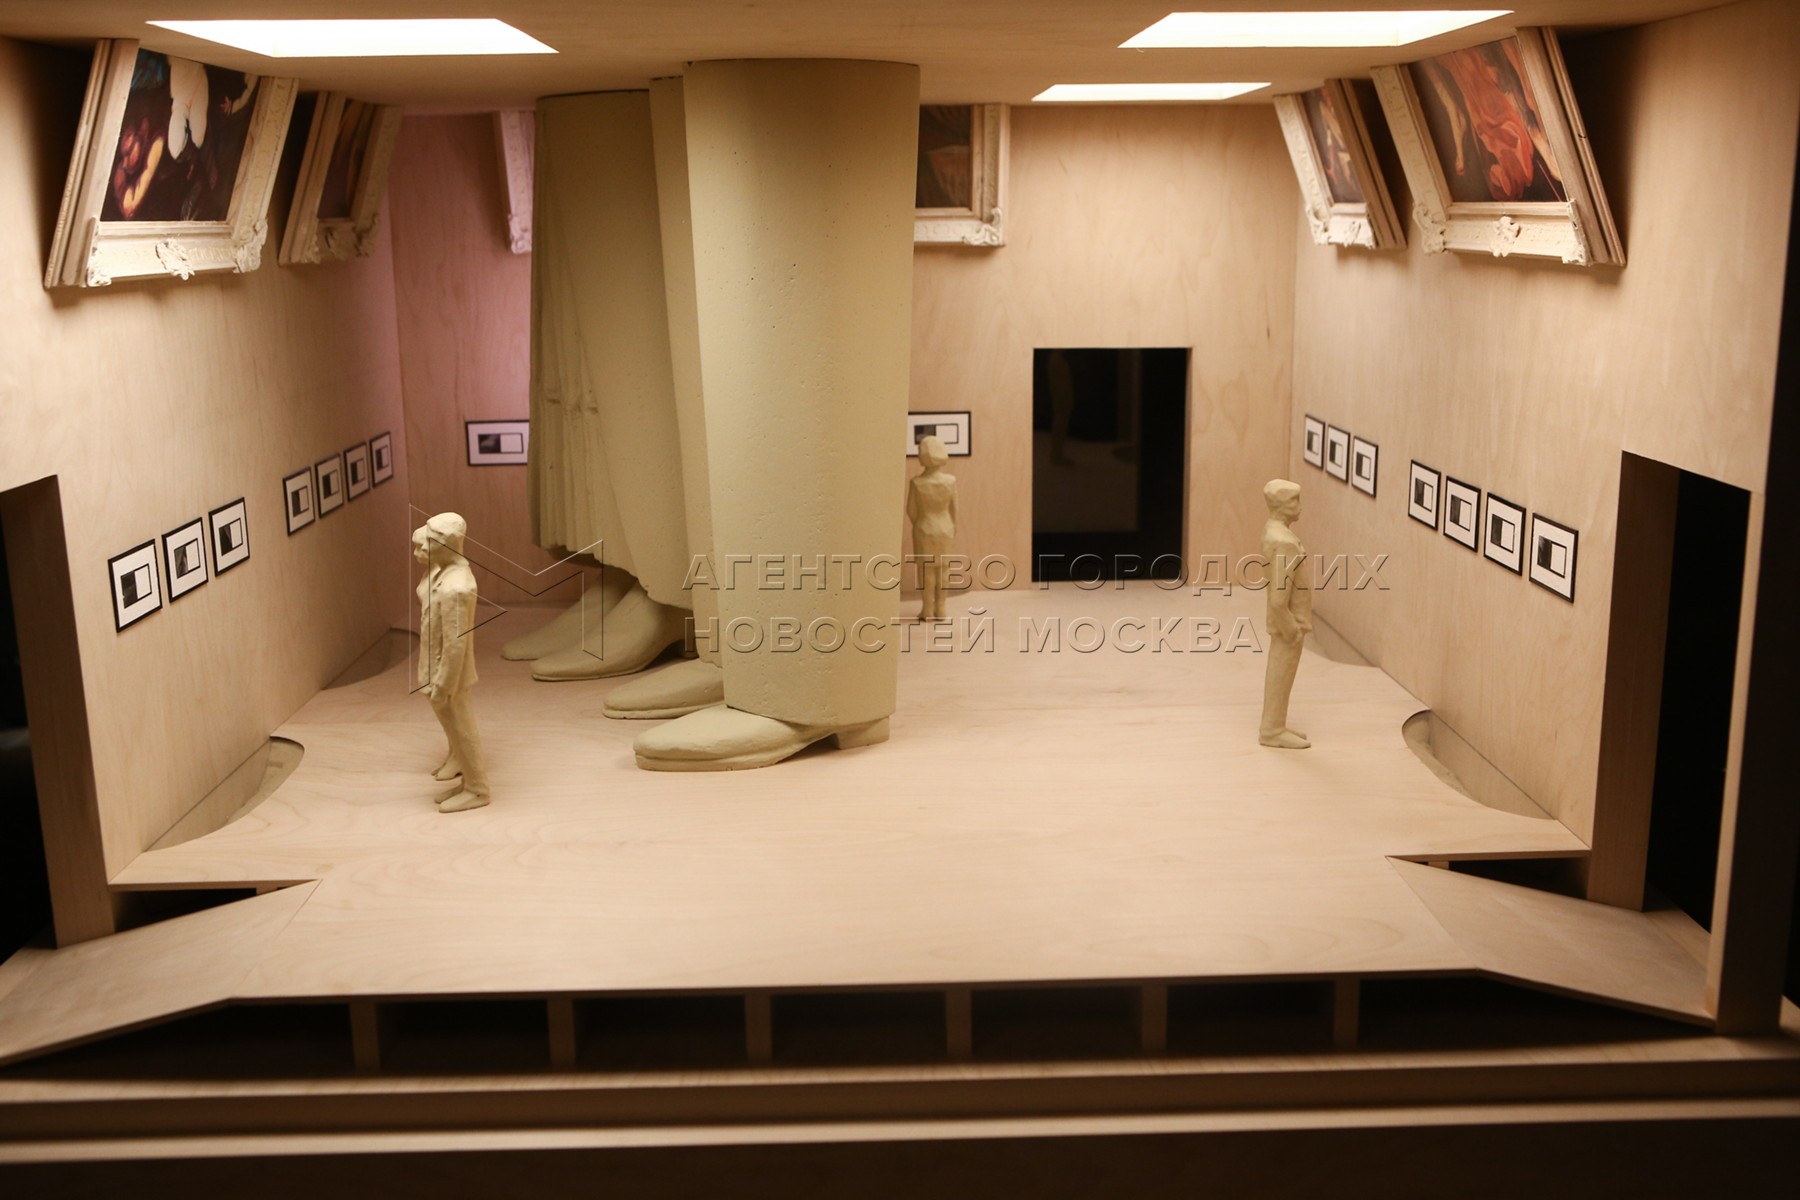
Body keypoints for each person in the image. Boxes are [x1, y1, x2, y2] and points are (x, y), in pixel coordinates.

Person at [414, 513, 492, 811]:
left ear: (447, 546)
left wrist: (444, 684)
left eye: (428, 544)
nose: (421, 549)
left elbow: (456, 644)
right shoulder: (441, 573)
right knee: (454, 728)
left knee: (463, 728)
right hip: (436, 669)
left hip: (451, 676)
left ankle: (478, 789)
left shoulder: (457, 588)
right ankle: (467, 782)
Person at [1259, 480, 1313, 750]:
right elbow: (1279, 599)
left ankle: (1276, 725)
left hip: (1287, 623)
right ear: (1280, 505)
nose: (1300, 507)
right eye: (1294, 501)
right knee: (1281, 674)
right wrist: (1292, 629)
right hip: (1288, 625)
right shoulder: (1285, 542)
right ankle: (1272, 730)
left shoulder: (1273, 531)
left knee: (1281, 674)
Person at [906, 435, 958, 622]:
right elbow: (954, 510)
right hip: (945, 528)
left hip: (924, 528)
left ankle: (927, 608)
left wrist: (921, 524)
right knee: (943, 569)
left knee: (926, 570)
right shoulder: (950, 481)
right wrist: (952, 528)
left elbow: (911, 511)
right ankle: (941, 608)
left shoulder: (917, 482)